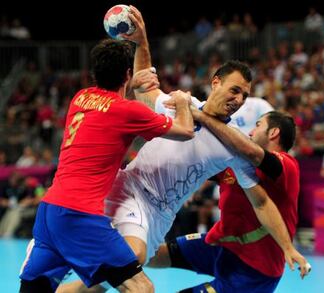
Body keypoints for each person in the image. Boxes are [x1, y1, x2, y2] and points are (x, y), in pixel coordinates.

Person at [58, 7, 309, 293]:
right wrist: (141, 42)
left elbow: (261, 202)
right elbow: (145, 87)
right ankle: (63, 254)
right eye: (234, 90)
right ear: (216, 82)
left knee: (103, 283)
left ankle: (62, 270)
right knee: (132, 260)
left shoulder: (233, 145)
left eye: (244, 95)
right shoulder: (181, 104)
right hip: (134, 189)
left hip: (161, 215)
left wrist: (288, 248)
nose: (239, 99)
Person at [19, 5, 195, 292]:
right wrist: (184, 102)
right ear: (126, 75)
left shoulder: (80, 97)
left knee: (35, 289)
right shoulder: (128, 112)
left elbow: (111, 96)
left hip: (49, 211)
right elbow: (186, 132)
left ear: (94, 73)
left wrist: (132, 80)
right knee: (140, 287)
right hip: (80, 216)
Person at [149, 110, 306, 292]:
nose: (250, 132)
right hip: (222, 245)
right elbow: (197, 166)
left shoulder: (287, 166)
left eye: (258, 125)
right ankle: (108, 275)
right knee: (154, 254)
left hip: (254, 269)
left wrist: (203, 116)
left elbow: (249, 150)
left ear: (274, 133)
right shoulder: (237, 163)